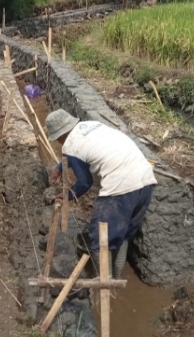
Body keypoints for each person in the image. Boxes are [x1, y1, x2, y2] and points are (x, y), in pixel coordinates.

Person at [45, 109, 157, 278]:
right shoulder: (91, 126)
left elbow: (85, 183)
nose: (59, 143)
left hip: (121, 186)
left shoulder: (70, 144)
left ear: (61, 135)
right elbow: (86, 150)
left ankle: (103, 287)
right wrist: (60, 167)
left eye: (58, 139)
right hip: (146, 180)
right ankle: (116, 282)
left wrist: (66, 196)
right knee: (124, 235)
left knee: (99, 241)